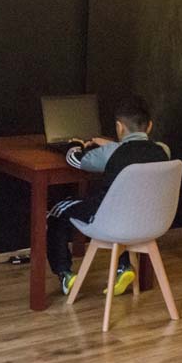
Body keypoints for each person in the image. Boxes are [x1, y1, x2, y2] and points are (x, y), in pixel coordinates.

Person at [47, 96, 171, 296]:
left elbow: (75, 160)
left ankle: (65, 274)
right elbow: (135, 149)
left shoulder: (112, 152)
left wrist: (75, 144)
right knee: (126, 207)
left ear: (119, 127)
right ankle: (123, 267)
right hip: (150, 222)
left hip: (111, 223)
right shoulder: (163, 151)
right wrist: (111, 145)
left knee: (56, 210)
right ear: (149, 126)